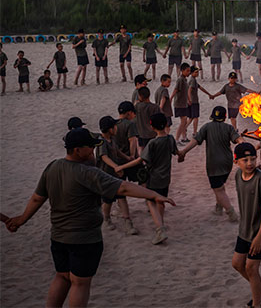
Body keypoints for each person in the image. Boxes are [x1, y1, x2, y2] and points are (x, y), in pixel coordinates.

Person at [5, 127, 175, 308]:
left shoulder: (53, 167)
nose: (93, 150)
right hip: (84, 240)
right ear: (77, 150)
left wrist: (21, 220)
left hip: (58, 238)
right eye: (90, 147)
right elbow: (123, 188)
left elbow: (37, 197)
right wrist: (153, 195)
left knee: (62, 276)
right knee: (80, 283)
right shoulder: (87, 173)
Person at [116, 113, 181, 244]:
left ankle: (160, 228)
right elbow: (177, 152)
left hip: (154, 178)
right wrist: (181, 155)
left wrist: (122, 166)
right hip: (165, 177)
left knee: (151, 201)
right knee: (161, 200)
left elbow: (140, 159)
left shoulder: (153, 143)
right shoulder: (170, 139)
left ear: (152, 127)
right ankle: (160, 222)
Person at [230, 142, 261, 308]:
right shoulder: (237, 175)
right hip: (245, 230)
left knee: (251, 268)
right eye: (245, 160)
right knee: (237, 264)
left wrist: (259, 237)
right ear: (236, 161)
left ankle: (257, 304)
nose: (250, 163)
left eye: (252, 159)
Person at [179, 106, 243, 222]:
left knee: (218, 189)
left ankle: (231, 213)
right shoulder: (229, 128)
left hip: (213, 163)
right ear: (224, 117)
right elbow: (239, 140)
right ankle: (218, 208)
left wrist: (184, 151)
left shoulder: (207, 127)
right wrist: (243, 149)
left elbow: (195, 141)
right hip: (227, 163)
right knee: (220, 186)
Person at [95, 116, 139, 236]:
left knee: (122, 196)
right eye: (114, 126)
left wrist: (127, 158)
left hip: (116, 174)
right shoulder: (101, 142)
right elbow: (104, 157)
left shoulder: (112, 139)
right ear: (109, 129)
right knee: (108, 201)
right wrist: (116, 167)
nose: (116, 128)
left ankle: (127, 221)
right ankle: (107, 219)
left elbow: (117, 151)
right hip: (106, 175)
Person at [115, 101, 140, 183]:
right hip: (128, 158)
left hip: (117, 159)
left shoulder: (113, 124)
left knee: (120, 185)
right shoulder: (130, 124)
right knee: (143, 179)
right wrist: (133, 155)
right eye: (134, 113)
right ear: (129, 113)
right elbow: (132, 140)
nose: (134, 115)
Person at [135, 86, 161, 152]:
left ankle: (142, 161)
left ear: (140, 96)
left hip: (141, 133)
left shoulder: (137, 106)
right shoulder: (155, 107)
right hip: (152, 133)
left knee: (142, 149)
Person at [187, 66, 211, 137]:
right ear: (191, 73)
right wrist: (190, 99)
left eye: (198, 72)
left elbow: (201, 88)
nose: (197, 73)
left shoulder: (193, 80)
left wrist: (209, 94)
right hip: (193, 101)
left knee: (191, 117)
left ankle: (184, 128)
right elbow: (189, 90)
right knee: (196, 117)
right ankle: (195, 132)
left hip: (191, 101)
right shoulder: (193, 80)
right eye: (196, 72)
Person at [172, 63, 192, 144]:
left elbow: (186, 91)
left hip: (184, 103)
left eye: (189, 71)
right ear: (182, 71)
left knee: (184, 120)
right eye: (187, 71)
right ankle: (177, 139)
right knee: (183, 121)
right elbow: (176, 89)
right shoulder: (180, 79)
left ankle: (184, 137)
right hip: (179, 103)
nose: (189, 72)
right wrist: (170, 98)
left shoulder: (185, 79)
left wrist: (188, 99)